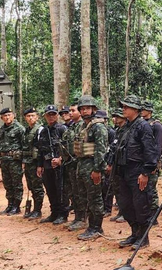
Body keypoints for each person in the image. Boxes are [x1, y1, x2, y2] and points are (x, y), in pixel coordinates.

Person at [114, 96, 159, 248]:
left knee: (141, 205)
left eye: (126, 107)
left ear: (135, 109)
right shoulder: (126, 126)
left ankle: (143, 237)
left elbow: (150, 150)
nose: (123, 109)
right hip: (124, 170)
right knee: (126, 205)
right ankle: (134, 233)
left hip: (138, 170)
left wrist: (146, 172)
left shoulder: (143, 126)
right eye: (123, 106)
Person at [76, 99, 109, 240]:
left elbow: (101, 150)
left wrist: (97, 170)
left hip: (92, 167)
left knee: (95, 199)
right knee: (86, 198)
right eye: (82, 109)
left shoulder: (98, 127)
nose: (84, 111)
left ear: (93, 109)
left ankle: (96, 228)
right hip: (82, 166)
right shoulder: (83, 126)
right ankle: (91, 226)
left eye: (87, 108)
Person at [36, 105, 69, 224]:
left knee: (60, 190)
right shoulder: (43, 131)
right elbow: (40, 149)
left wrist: (60, 158)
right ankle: (54, 212)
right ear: (45, 116)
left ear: (57, 116)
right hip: (47, 164)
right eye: (48, 115)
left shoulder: (62, 129)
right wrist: (40, 165)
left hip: (59, 165)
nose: (51, 117)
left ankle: (63, 214)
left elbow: (68, 147)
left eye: (53, 114)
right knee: (50, 190)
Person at [0, 107, 26, 215]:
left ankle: (16, 206)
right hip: (4, 160)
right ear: (1, 118)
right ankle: (10, 204)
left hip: (15, 160)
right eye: (5, 116)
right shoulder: (2, 129)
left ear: (13, 115)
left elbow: (25, 145)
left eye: (9, 115)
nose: (7, 117)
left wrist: (24, 161)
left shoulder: (19, 128)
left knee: (16, 183)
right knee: (7, 184)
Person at [62, 102, 84, 230]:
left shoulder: (83, 127)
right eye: (69, 110)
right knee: (73, 192)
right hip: (69, 164)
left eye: (73, 110)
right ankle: (77, 217)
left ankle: (82, 218)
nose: (70, 113)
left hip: (78, 164)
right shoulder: (71, 127)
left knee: (80, 193)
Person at [141, 100, 162, 217]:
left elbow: (159, 146)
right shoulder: (140, 124)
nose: (141, 111)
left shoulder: (156, 125)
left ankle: (153, 215)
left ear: (149, 111)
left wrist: (155, 163)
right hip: (142, 162)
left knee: (151, 190)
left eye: (143, 109)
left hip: (152, 162)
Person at [21, 107, 46, 220]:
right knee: (31, 186)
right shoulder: (27, 130)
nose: (30, 118)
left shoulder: (40, 129)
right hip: (28, 162)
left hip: (36, 162)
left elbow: (41, 148)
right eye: (28, 116)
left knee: (37, 187)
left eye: (33, 115)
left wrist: (40, 164)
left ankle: (37, 210)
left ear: (37, 117)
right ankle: (33, 210)